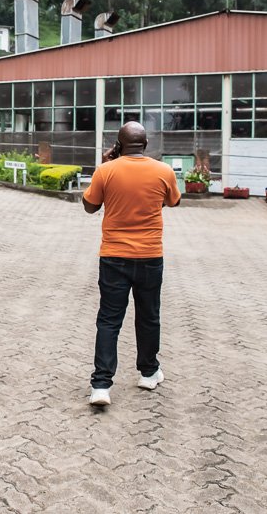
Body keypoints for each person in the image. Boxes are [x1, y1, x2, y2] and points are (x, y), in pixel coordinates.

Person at [81, 121, 181, 406]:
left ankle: (101, 386)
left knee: (109, 319)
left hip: (113, 256)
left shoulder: (106, 171)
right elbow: (173, 201)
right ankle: (148, 373)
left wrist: (105, 167)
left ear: (118, 145)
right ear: (146, 144)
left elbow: (90, 206)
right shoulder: (163, 171)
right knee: (149, 316)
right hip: (150, 256)